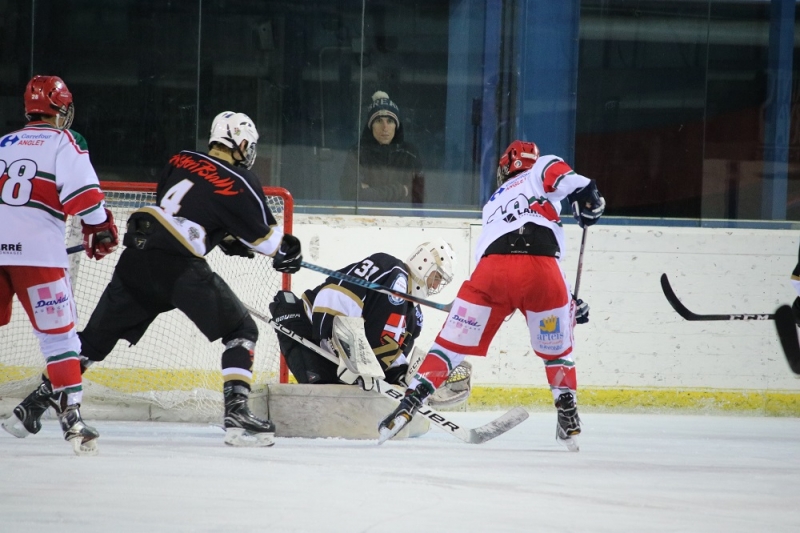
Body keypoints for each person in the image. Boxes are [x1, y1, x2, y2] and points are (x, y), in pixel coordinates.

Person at [3, 111, 303, 448]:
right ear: (242, 142)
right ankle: (237, 416)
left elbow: (181, 208)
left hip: (137, 259)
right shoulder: (241, 181)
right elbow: (268, 242)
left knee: (90, 344)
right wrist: (289, 251)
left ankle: (30, 407)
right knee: (242, 332)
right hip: (178, 268)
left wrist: (226, 238)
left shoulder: (180, 159)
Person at [377, 140, 606, 451]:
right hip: (544, 272)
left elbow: (492, 254)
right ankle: (567, 410)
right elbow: (562, 178)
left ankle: (409, 403)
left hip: (492, 272)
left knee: (450, 345)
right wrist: (587, 191)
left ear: (504, 169)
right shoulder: (540, 168)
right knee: (558, 349)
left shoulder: (492, 202)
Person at [0, 75, 119, 455]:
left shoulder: (3, 143)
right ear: (61, 107)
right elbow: (84, 197)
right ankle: (72, 419)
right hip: (38, 256)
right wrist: (100, 228)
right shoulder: (64, 142)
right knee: (60, 338)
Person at [269, 240, 458, 390]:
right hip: (306, 327)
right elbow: (334, 295)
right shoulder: (390, 269)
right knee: (325, 398)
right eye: (437, 277)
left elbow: (390, 359)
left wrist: (403, 378)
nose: (435, 286)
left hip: (345, 364)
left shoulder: (415, 318)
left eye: (440, 281)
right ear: (424, 263)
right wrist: (338, 347)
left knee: (346, 405)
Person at [339, 91, 424, 204]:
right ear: (371, 125)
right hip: (365, 218)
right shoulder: (357, 152)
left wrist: (370, 191)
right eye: (379, 121)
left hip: (402, 218)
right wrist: (402, 190)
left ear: (396, 126)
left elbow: (419, 197)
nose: (385, 127)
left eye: (390, 121)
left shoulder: (410, 153)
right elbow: (350, 195)